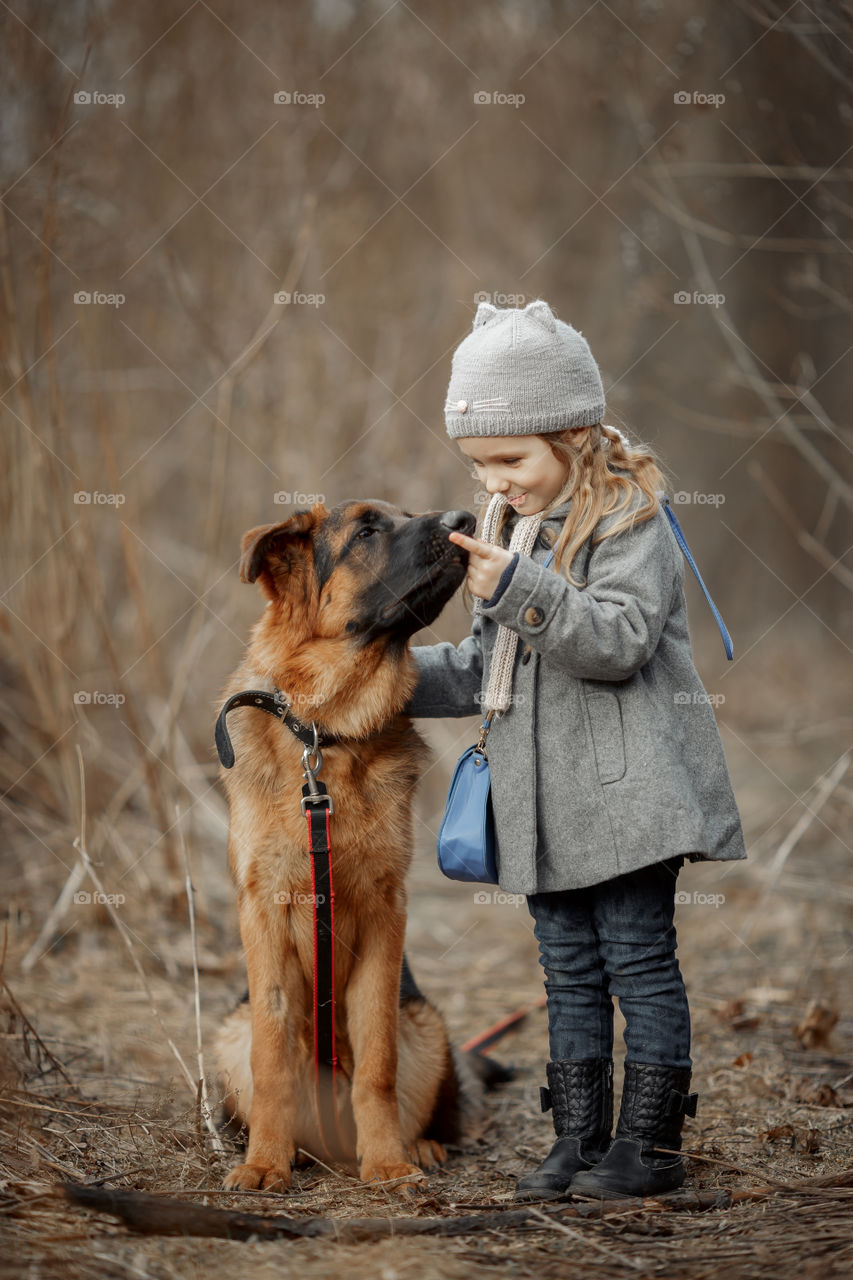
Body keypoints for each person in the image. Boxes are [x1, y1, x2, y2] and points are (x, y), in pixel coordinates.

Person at [401, 299, 747, 1201]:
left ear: (575, 433)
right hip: (539, 806)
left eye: (510, 459)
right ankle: (579, 1140)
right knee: (566, 972)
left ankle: (651, 1145)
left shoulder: (628, 520)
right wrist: (386, 679)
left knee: (637, 962)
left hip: (627, 799)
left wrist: (517, 585)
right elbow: (487, 666)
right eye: (479, 464)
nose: (496, 481)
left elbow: (617, 640)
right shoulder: (512, 525)